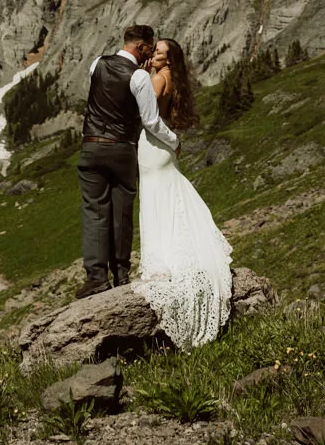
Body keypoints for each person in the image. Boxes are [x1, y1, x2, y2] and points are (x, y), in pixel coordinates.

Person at [133, 38, 233, 349]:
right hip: (162, 148)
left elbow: (146, 111)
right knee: (166, 196)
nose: (155, 51)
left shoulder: (158, 78)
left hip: (151, 147)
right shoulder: (170, 77)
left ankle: (161, 259)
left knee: (153, 200)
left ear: (168, 59)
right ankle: (172, 250)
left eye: (160, 49)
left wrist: (141, 72)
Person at [77, 24, 178, 299]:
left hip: (92, 146)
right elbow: (151, 121)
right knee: (121, 213)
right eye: (150, 47)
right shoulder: (140, 77)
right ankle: (121, 275)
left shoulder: (97, 63)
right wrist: (174, 141)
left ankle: (96, 277)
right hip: (122, 150)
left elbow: (99, 97)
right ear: (142, 47)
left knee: (94, 212)